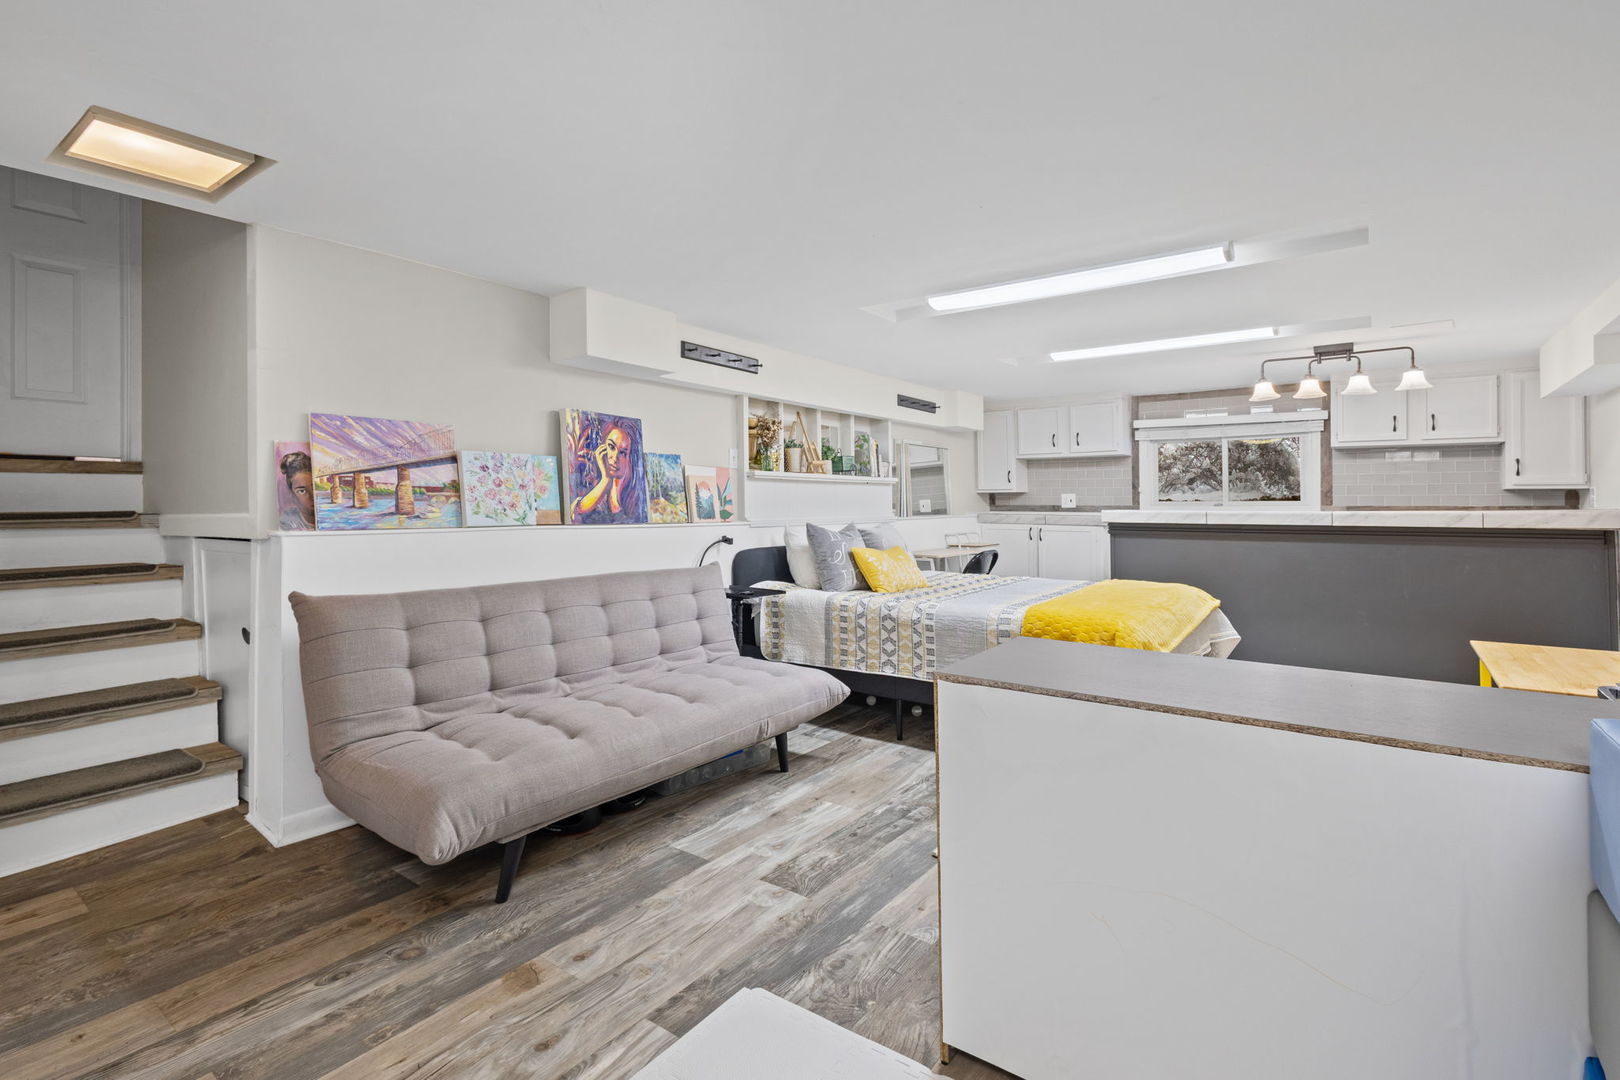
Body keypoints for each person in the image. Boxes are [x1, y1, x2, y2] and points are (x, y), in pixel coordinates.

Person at [570, 424, 632, 520]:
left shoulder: (632, 500)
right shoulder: (589, 482)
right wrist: (606, 479)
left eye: (623, 453)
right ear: (601, 448)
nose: (615, 458)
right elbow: (575, 512)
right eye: (611, 447)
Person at [279, 450, 316, 530]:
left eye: (314, 488)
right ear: (291, 494)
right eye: (302, 491)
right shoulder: (287, 520)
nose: (312, 496)